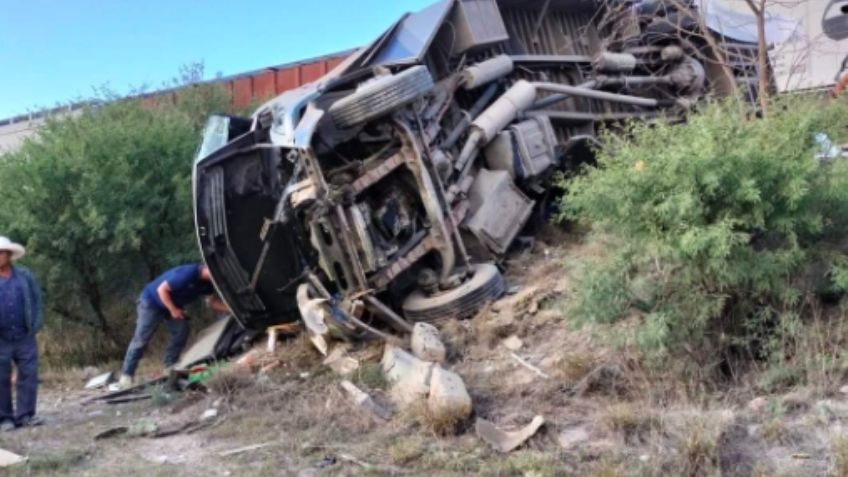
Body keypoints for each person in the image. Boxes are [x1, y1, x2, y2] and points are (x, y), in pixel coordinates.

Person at [118, 263, 224, 388]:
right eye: (213, 273)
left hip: (171, 305)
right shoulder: (188, 274)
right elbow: (162, 290)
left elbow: (211, 302)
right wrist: (173, 310)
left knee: (181, 331)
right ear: (206, 268)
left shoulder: (208, 284)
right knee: (141, 339)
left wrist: (229, 309)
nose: (215, 277)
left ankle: (169, 364)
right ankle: (126, 375)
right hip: (151, 302)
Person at [0, 236, 43, 432]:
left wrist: (35, 324)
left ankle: (26, 415)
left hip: (24, 334)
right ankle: (5, 418)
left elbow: (37, 300)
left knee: (29, 374)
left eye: (1, 252)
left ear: (9, 255)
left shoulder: (25, 275)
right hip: (1, 338)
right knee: (1, 377)